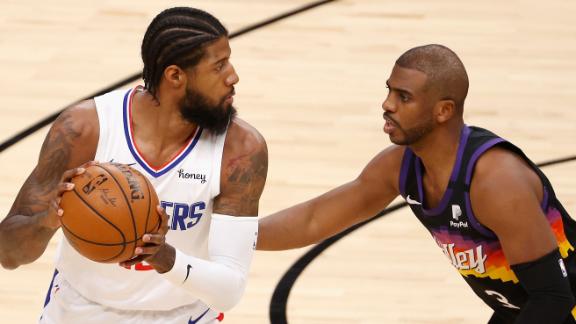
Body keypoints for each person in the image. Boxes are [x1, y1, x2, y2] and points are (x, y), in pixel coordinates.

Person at [257, 44, 576, 323]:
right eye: (389, 91)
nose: (387, 104)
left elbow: (553, 298)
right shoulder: (400, 166)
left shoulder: (495, 182)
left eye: (403, 97)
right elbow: (314, 220)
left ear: (443, 111)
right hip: (526, 308)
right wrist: (231, 233)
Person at [0, 7, 267, 324]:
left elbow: (229, 290)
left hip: (183, 316)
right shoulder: (84, 130)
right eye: (219, 66)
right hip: (78, 311)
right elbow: (8, 254)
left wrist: (165, 257)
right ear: (175, 76)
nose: (233, 76)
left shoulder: (240, 152)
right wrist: (46, 221)